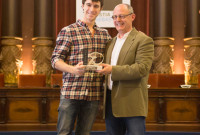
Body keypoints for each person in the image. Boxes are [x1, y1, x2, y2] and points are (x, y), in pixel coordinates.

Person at [51, 0, 111, 134]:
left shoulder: (105, 35)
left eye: (96, 6)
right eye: (89, 5)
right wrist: (73, 70)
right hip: (71, 92)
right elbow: (55, 60)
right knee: (63, 133)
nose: (92, 9)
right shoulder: (68, 31)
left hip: (93, 94)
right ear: (82, 6)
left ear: (100, 9)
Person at [97, 4, 154, 135]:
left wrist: (112, 70)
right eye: (115, 16)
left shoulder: (143, 40)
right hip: (111, 102)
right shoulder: (110, 42)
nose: (118, 20)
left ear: (132, 17)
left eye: (122, 16)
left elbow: (141, 69)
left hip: (132, 102)